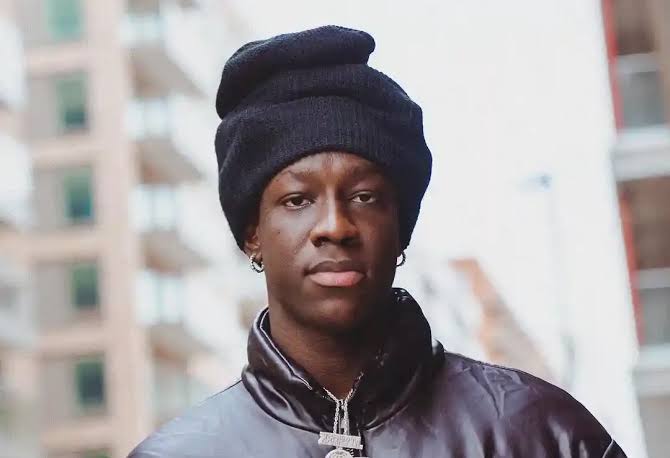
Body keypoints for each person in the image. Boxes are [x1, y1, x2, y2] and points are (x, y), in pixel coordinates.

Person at [129, 25, 626, 458]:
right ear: (251, 234)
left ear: (401, 227)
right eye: (298, 200)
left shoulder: (540, 432)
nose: (335, 226)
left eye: (364, 196)